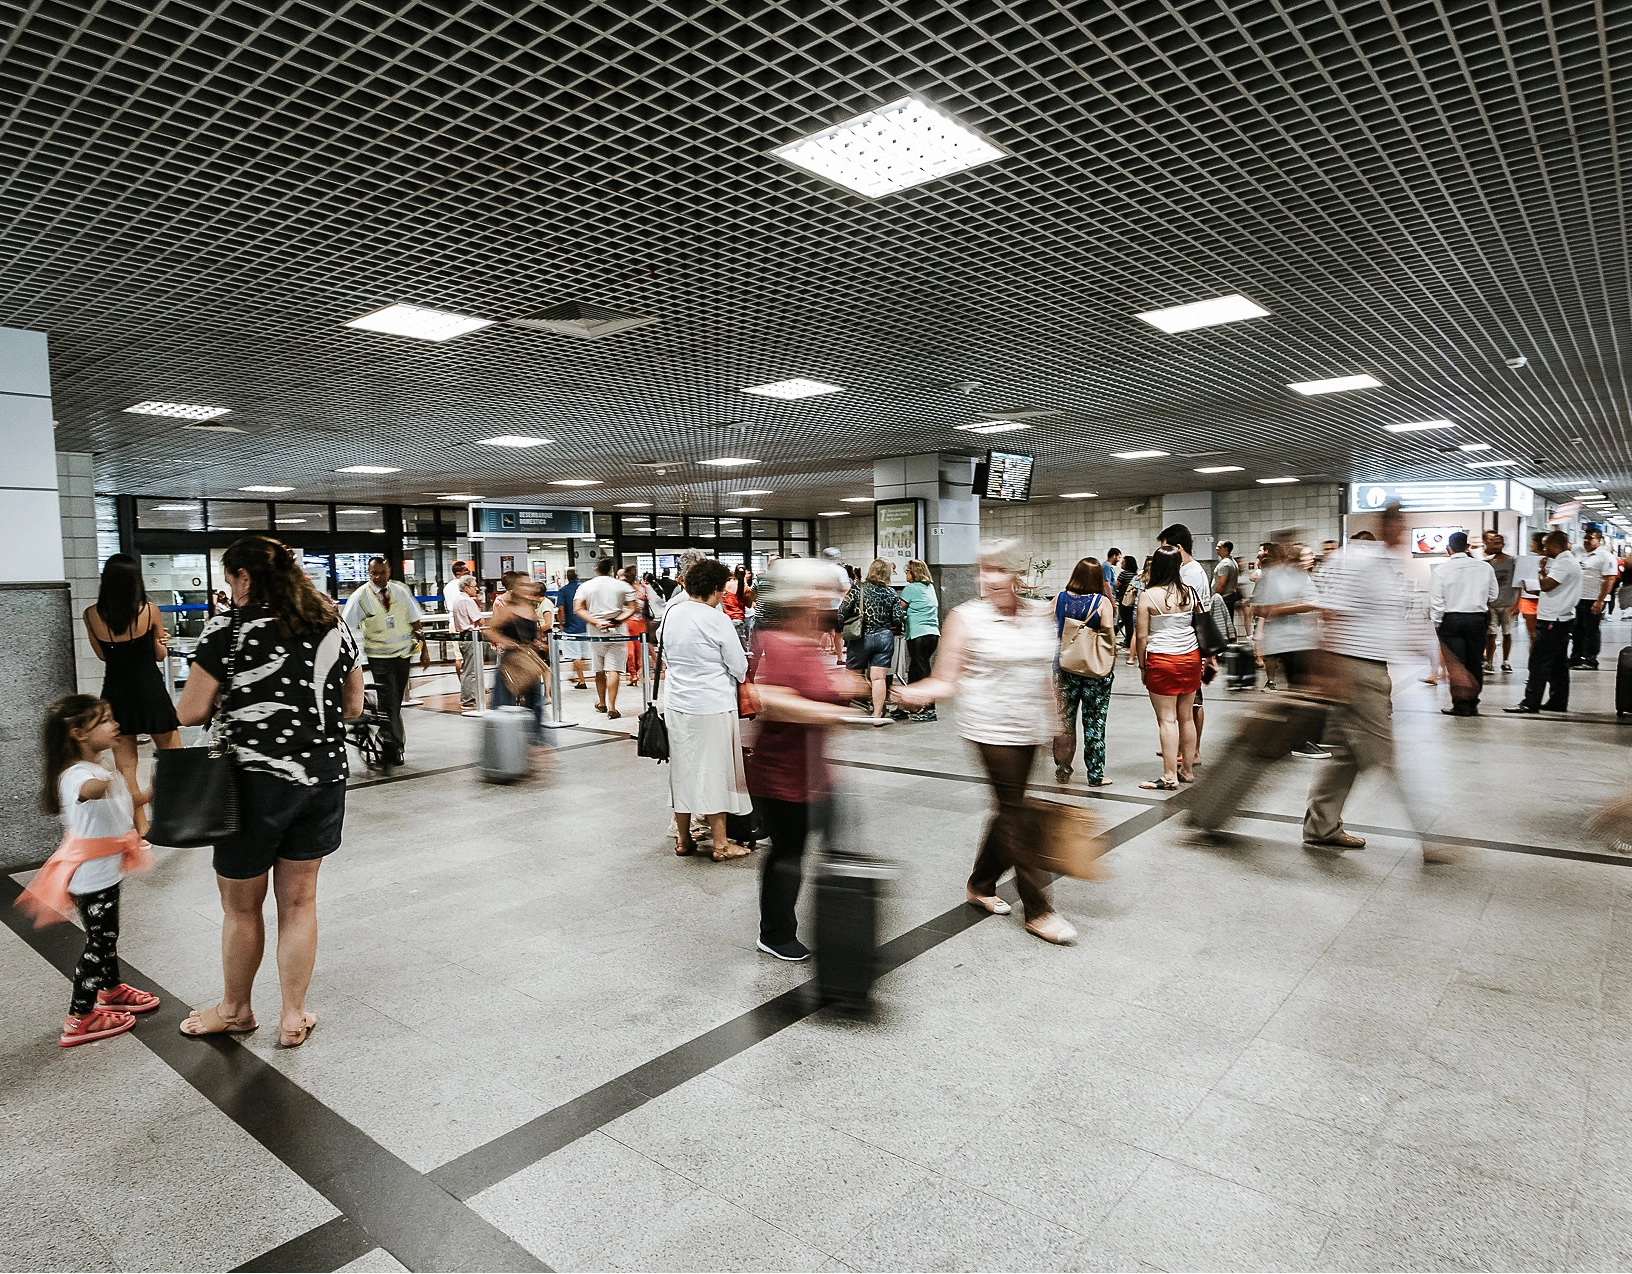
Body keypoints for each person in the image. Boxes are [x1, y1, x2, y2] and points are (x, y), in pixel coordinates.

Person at [176, 535, 364, 1047]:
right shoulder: (332, 625)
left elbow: (190, 711)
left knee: (242, 907)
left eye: (229, 580)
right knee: (300, 902)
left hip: (248, 786)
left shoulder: (227, 629)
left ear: (243, 577)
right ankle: (293, 1015)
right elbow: (351, 708)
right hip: (321, 779)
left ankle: (236, 1010)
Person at [895, 540, 1076, 945]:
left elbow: (1046, 674)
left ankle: (979, 883)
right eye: (983, 569)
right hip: (990, 726)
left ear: (1016, 574)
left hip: (1029, 727)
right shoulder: (965, 618)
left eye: (997, 570)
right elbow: (947, 677)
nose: (987, 578)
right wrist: (913, 692)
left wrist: (1059, 722)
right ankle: (1039, 909)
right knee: (1016, 811)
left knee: (1007, 808)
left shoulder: (1038, 613)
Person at [1302, 504, 1455, 862]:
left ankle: (1320, 827)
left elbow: (1397, 627)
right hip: (1356, 674)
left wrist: (1447, 662)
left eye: (1405, 525)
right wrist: (1328, 672)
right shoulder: (1360, 561)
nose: (1402, 532)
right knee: (1386, 758)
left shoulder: (1388, 569)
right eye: (1397, 524)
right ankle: (1428, 840)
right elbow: (1328, 614)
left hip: (1373, 671)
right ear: (1382, 525)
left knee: (1345, 756)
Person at [746, 560, 871, 960]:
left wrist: (842, 686)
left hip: (815, 772)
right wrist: (835, 711)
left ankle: (837, 922)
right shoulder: (779, 640)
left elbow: (811, 689)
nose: (826, 598)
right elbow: (773, 702)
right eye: (817, 591)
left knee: (824, 848)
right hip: (783, 775)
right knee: (788, 852)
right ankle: (776, 932)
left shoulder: (807, 640)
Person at [22, 695, 160, 1047]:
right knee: (99, 943)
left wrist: (149, 793)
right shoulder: (76, 775)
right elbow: (89, 792)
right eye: (106, 720)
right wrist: (110, 778)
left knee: (107, 936)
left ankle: (111, 991)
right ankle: (80, 1017)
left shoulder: (95, 769)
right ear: (79, 733)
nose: (116, 725)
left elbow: (120, 804)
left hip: (105, 871)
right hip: (90, 878)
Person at [658, 560, 753, 860]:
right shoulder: (716, 619)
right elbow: (739, 666)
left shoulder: (672, 613)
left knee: (682, 770)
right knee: (714, 771)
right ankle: (721, 845)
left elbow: (665, 653)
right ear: (715, 589)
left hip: (676, 703)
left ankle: (683, 839)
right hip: (712, 704)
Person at [81, 553, 180, 834]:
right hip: (150, 691)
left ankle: (141, 829)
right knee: (173, 757)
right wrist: (161, 641)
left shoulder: (91, 614)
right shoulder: (149, 611)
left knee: (126, 767)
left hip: (116, 694)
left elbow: (102, 656)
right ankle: (174, 818)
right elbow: (160, 655)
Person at [341, 557, 425, 767]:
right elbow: (346, 627)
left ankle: (392, 742)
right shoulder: (360, 597)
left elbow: (415, 620)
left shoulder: (400, 591)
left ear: (389, 571)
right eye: (374, 573)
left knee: (394, 701)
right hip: (379, 657)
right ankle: (393, 746)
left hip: (403, 656)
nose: (378, 577)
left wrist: (424, 651)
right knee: (390, 700)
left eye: (382, 572)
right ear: (369, 574)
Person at [1250, 540, 1330, 759]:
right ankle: (1295, 741)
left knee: (1304, 692)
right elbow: (1269, 609)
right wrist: (1311, 604)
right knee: (1301, 692)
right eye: (1301, 555)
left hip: (1303, 640)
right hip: (1288, 642)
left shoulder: (1300, 576)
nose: (1307, 559)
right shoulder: (1274, 576)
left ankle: (1301, 737)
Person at [1134, 546, 1202, 790]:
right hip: (1191, 658)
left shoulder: (1148, 596)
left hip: (1162, 660)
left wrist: (1142, 665)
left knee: (1167, 720)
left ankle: (1169, 776)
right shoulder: (1190, 592)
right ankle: (1187, 769)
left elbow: (1142, 637)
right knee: (1186, 718)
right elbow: (1200, 623)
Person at [1053, 557, 1114, 786]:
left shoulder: (1059, 598)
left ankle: (1062, 769)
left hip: (1065, 667)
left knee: (1065, 721)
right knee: (1094, 721)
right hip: (1095, 671)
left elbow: (1047, 624)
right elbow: (1107, 632)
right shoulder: (1102, 602)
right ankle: (1095, 774)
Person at [1507, 529, 1582, 714]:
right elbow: (1554, 588)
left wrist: (1541, 570)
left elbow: (1547, 584)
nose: (1543, 547)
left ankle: (1530, 702)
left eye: (1546, 544)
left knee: (1538, 662)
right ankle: (1558, 701)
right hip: (1560, 617)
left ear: (1556, 545)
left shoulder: (1563, 562)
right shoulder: (1568, 561)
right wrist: (1537, 591)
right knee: (1557, 664)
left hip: (1552, 619)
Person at [1157, 524, 1214, 758]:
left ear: (1178, 548)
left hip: (1188, 645)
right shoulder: (1192, 570)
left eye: (1167, 549)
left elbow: (1191, 614)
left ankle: (1192, 752)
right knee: (1189, 704)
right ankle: (1182, 748)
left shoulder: (1188, 574)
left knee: (1192, 705)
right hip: (1192, 644)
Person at [1429, 532, 1498, 716]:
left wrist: (1437, 623)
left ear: (1448, 548)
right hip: (1477, 619)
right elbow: (1494, 595)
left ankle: (1460, 705)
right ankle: (1473, 703)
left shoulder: (1441, 570)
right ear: (1467, 547)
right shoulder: (1485, 568)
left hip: (1452, 620)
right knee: (1475, 661)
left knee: (1457, 664)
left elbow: (1436, 601)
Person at [838, 558, 908, 723]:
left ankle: (845, 711)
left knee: (852, 675)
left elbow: (841, 613)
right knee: (879, 679)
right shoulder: (891, 592)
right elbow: (898, 618)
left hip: (861, 637)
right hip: (884, 638)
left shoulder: (857, 589)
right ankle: (877, 716)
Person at [486, 571, 548, 739]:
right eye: (523, 585)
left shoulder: (530, 608)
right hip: (511, 662)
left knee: (535, 703)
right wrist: (506, 642)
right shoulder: (507, 610)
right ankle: (500, 742)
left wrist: (537, 642)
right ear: (513, 588)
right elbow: (491, 631)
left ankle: (536, 740)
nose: (527, 588)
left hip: (528, 660)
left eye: (529, 584)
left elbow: (534, 634)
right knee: (502, 704)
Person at [574, 558, 638, 719]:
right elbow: (632, 607)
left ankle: (602, 703)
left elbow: (578, 608)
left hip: (595, 632)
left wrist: (596, 622)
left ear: (596, 569)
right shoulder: (622, 585)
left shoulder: (586, 586)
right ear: (611, 569)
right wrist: (617, 620)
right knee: (614, 669)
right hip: (618, 632)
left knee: (599, 669)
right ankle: (613, 707)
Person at [1572, 525, 1618, 670]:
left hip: (1593, 599)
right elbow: (1565, 544)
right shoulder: (1581, 553)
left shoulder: (1605, 557)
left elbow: (1609, 579)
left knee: (1591, 631)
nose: (1586, 541)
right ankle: (1576, 658)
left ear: (1599, 540)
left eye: (1590, 538)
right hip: (1578, 598)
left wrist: (1600, 600)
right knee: (1577, 630)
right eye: (1585, 538)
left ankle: (1590, 660)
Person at [900, 559, 941, 722]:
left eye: (908, 570)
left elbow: (898, 608)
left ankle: (930, 709)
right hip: (932, 635)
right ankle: (907, 705)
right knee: (916, 670)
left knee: (922, 672)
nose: (906, 573)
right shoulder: (929, 587)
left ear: (914, 572)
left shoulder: (911, 588)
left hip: (918, 635)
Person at [1481, 531, 1518, 673]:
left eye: (1498, 543)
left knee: (1507, 633)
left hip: (1508, 603)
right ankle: (1489, 662)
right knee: (1490, 634)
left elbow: (1518, 582)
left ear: (1503, 544)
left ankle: (1506, 661)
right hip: (1492, 605)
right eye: (1493, 542)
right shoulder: (1487, 563)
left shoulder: (1512, 561)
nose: (1496, 545)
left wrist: (1517, 602)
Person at [449, 575, 484, 710]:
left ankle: (468, 697)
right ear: (466, 587)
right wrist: (478, 606)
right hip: (471, 636)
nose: (476, 589)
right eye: (474, 586)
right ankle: (468, 699)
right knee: (471, 669)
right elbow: (479, 620)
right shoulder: (468, 601)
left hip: (463, 636)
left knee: (467, 668)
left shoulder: (458, 600)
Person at [556, 567, 589, 690]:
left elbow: (561, 608)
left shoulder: (563, 590)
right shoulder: (583, 588)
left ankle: (581, 680)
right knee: (581, 654)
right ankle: (576, 675)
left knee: (576, 655)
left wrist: (561, 622)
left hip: (571, 627)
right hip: (585, 624)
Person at [622, 564, 650, 681]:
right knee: (637, 651)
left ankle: (635, 674)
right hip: (637, 623)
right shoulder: (641, 589)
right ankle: (636, 674)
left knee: (633, 651)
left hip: (630, 622)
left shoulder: (624, 589)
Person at [721, 563, 753, 647]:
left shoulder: (725, 585)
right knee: (740, 644)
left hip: (726, 618)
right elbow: (749, 605)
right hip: (738, 618)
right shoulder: (745, 588)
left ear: (734, 573)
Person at [1114, 554, 1140, 650]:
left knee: (1125, 622)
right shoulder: (1135, 575)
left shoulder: (1123, 574)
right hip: (1133, 602)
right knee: (1130, 623)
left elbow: (1115, 586)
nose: (1121, 564)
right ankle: (1129, 641)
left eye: (1123, 562)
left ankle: (1128, 643)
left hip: (1124, 601)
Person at [1213, 539, 1242, 619]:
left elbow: (1221, 583)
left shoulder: (1224, 564)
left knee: (1222, 624)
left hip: (1224, 598)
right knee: (1228, 623)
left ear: (1225, 549)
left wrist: (1215, 598)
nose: (1216, 548)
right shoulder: (1232, 562)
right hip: (1230, 596)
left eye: (1219, 547)